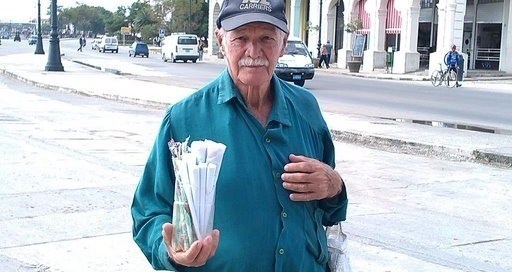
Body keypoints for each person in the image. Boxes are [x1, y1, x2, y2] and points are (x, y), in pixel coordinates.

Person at [131, 0, 348, 271]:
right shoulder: (183, 119)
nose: (253, 51)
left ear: (283, 43)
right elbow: (148, 213)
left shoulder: (307, 108)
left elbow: (331, 209)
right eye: (241, 38)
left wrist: (335, 187)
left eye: (266, 38)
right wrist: (171, 252)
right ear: (221, 41)